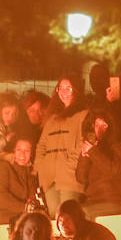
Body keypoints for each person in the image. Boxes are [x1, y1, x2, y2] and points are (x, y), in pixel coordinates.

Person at [34, 76, 90, 215]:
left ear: (76, 90)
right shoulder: (51, 118)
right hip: (49, 178)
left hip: (70, 177)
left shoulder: (84, 115)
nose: (64, 92)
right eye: (60, 88)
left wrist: (70, 166)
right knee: (54, 216)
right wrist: (41, 167)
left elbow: (82, 143)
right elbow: (41, 145)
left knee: (68, 216)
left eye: (68, 88)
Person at [74, 109, 121, 218]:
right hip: (92, 201)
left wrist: (93, 152)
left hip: (113, 200)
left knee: (79, 217)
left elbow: (114, 170)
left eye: (104, 126)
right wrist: (85, 156)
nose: (99, 130)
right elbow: (81, 178)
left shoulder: (118, 146)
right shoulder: (92, 146)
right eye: (96, 125)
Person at [0, 137, 39, 227]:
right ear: (13, 151)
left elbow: (32, 198)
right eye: (19, 150)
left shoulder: (30, 173)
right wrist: (26, 208)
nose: (22, 154)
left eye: (27, 151)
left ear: (31, 153)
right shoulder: (2, 166)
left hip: (16, 219)